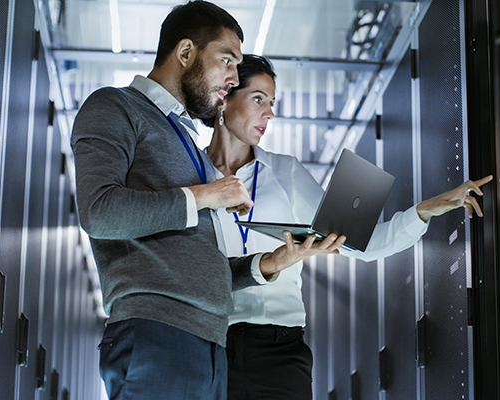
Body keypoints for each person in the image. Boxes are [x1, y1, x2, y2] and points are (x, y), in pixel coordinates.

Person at [70, 3, 344, 400]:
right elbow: (100, 212)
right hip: (156, 333)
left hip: (211, 345)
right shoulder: (115, 107)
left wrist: (271, 264)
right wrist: (207, 194)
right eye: (227, 61)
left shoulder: (190, 148)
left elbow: (201, 266)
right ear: (185, 53)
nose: (233, 78)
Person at [202, 54, 493, 399]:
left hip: (278, 348)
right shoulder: (191, 175)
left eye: (273, 103)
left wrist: (424, 211)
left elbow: (361, 244)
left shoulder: (286, 172)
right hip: (208, 343)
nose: (269, 113)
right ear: (225, 97)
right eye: (258, 99)